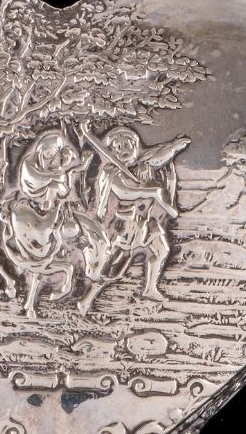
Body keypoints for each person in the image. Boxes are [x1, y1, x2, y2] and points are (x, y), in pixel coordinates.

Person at [78, 126, 190, 313]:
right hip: (122, 225)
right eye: (118, 147)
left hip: (145, 222)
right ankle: (86, 300)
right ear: (112, 151)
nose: (123, 149)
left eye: (127, 145)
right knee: (112, 269)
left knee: (161, 250)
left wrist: (174, 146)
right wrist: (151, 192)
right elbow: (124, 192)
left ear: (136, 146)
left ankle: (150, 288)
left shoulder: (143, 164)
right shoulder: (110, 172)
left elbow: (159, 156)